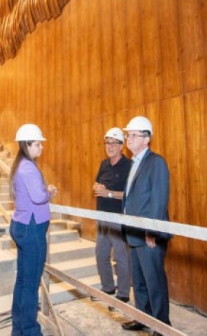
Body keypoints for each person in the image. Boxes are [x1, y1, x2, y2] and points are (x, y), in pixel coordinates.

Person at [120, 116, 172, 335]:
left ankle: (162, 326)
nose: (128, 139)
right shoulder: (134, 162)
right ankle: (143, 317)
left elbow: (159, 199)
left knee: (154, 282)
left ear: (146, 138)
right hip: (133, 234)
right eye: (127, 135)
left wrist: (152, 232)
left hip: (149, 236)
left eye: (133, 135)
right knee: (139, 281)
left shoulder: (156, 162)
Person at [9, 124, 58, 336]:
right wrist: (49, 192)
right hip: (32, 230)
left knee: (22, 281)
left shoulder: (21, 165)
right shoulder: (28, 167)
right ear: (27, 145)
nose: (41, 147)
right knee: (30, 285)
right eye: (38, 144)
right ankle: (30, 331)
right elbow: (38, 197)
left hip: (23, 226)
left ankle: (19, 328)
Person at [92, 127, 131, 309]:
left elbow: (130, 195)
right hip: (102, 215)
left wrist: (107, 193)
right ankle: (108, 288)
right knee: (101, 254)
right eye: (107, 142)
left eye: (114, 143)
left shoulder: (129, 166)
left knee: (120, 256)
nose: (110, 146)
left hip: (118, 217)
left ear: (122, 146)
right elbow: (97, 183)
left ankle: (123, 293)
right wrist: (96, 187)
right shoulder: (103, 164)